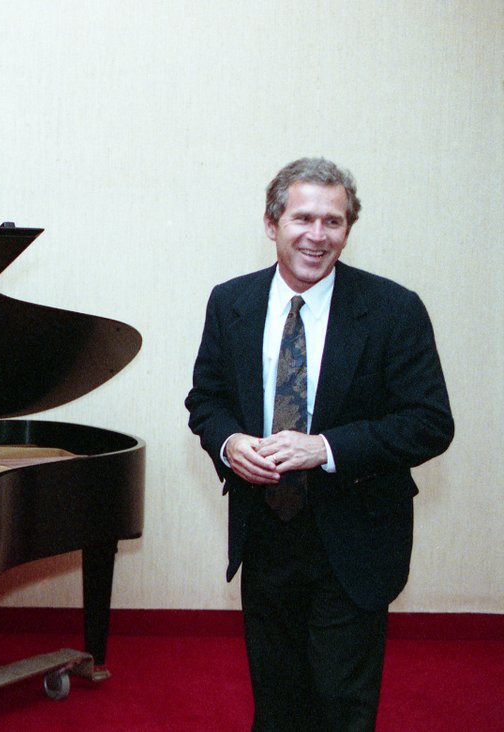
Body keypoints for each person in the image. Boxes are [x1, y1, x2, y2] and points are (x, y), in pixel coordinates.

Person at [185, 157, 454, 731]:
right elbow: (204, 401)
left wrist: (324, 448)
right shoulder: (229, 302)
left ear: (348, 231)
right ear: (271, 222)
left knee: (339, 704)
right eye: (302, 217)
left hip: (355, 538)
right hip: (264, 534)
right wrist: (229, 442)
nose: (317, 235)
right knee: (277, 701)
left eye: (333, 222)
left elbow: (430, 422)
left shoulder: (393, 309)